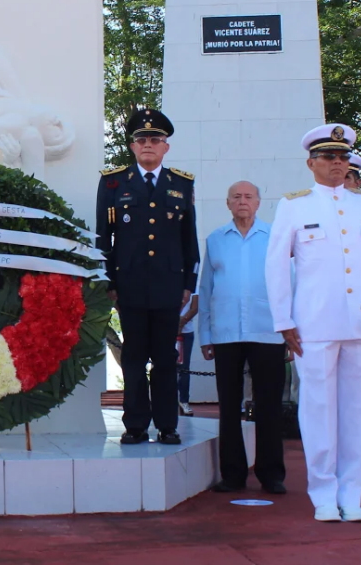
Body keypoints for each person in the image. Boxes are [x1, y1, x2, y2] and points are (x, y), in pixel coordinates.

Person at [265, 123, 361, 522]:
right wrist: (283, 319)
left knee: (358, 412)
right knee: (319, 409)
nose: (337, 164)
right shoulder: (295, 205)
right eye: (328, 157)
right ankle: (323, 492)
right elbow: (276, 265)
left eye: (342, 157)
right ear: (312, 163)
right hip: (315, 324)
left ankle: (351, 492)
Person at [95, 108, 198, 446]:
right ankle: (136, 425)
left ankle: (168, 425)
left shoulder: (181, 184)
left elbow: (189, 240)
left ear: (166, 147)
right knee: (135, 357)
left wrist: (188, 285)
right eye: (142, 140)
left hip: (169, 285)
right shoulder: (113, 182)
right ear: (132, 146)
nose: (149, 145)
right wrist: (109, 282)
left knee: (166, 357)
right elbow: (102, 238)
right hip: (130, 286)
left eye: (156, 139)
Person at [199, 181, 287, 494]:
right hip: (226, 333)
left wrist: (290, 330)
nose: (242, 201)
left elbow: (290, 284)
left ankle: (271, 474)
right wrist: (205, 335)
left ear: (259, 202)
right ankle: (233, 475)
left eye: (248, 196)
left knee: (269, 406)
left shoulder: (276, 237)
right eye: (236, 197)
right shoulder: (216, 240)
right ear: (227, 203)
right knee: (229, 405)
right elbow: (205, 290)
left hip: (268, 331)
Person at [177, 284, 198, 416]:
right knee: (166, 367)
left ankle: (184, 401)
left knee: (184, 368)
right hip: (167, 330)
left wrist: (182, 322)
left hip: (186, 333)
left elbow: (195, 307)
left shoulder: (191, 281)